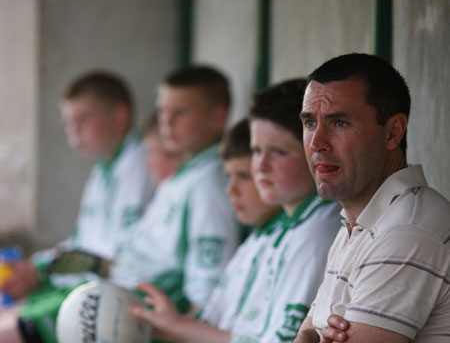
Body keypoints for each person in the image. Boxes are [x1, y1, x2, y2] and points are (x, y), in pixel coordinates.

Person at [129, 79, 342, 343]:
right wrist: (170, 325)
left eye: (279, 152)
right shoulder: (278, 229)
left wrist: (175, 327)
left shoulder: (317, 234)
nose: (260, 166)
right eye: (256, 151)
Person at [295, 53, 450, 343]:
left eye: (339, 123)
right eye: (309, 123)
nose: (317, 142)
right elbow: (305, 334)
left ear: (393, 133)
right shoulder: (357, 224)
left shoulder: (407, 230)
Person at [0, 71, 155, 342]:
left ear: (119, 116)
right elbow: (81, 242)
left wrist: (42, 269)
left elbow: (112, 257)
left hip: (111, 298)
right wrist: (35, 266)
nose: (74, 129)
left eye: (83, 119)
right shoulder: (102, 171)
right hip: (79, 285)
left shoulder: (143, 166)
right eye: (69, 121)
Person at [108, 65, 240, 314]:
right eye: (162, 111)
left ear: (217, 118)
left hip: (155, 318)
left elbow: (204, 296)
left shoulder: (210, 183)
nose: (166, 122)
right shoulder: (183, 175)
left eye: (180, 113)